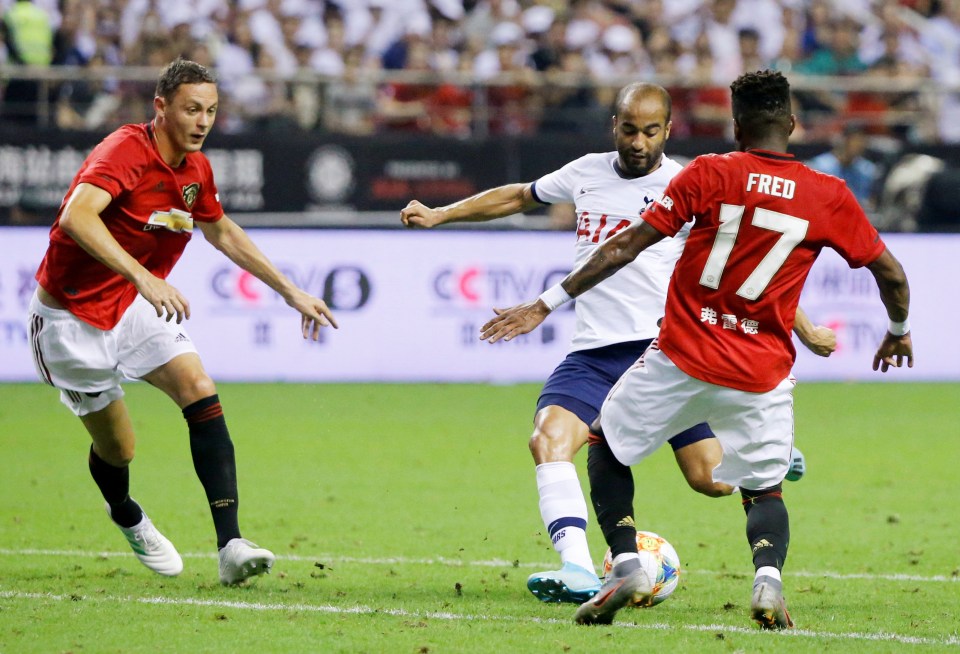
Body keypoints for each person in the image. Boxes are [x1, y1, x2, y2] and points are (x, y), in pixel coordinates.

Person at [478, 70, 912, 629]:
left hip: (683, 355)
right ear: (794, 125)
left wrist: (546, 303)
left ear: (736, 126)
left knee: (606, 443)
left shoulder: (708, 173)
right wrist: (898, 328)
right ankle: (767, 582)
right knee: (763, 489)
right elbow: (891, 273)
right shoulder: (828, 194)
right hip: (762, 370)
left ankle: (627, 562)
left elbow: (626, 247)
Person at [401, 82, 834, 605]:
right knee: (548, 438)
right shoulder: (586, 171)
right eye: (629, 129)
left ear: (668, 131)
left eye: (651, 131)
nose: (638, 141)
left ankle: (773, 454)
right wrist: (442, 214)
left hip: (668, 351)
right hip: (594, 351)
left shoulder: (691, 182)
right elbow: (520, 195)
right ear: (615, 126)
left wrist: (804, 329)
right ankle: (579, 569)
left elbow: (743, 265)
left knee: (711, 480)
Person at [27, 59, 338, 585]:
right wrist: (144, 277)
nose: (202, 121)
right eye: (192, 109)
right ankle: (126, 513)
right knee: (119, 449)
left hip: (133, 304)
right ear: (161, 107)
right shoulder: (125, 150)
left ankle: (231, 545)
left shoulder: (196, 170)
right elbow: (76, 217)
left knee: (199, 386)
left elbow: (222, 232)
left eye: (211, 111)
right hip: (70, 320)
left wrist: (290, 291)